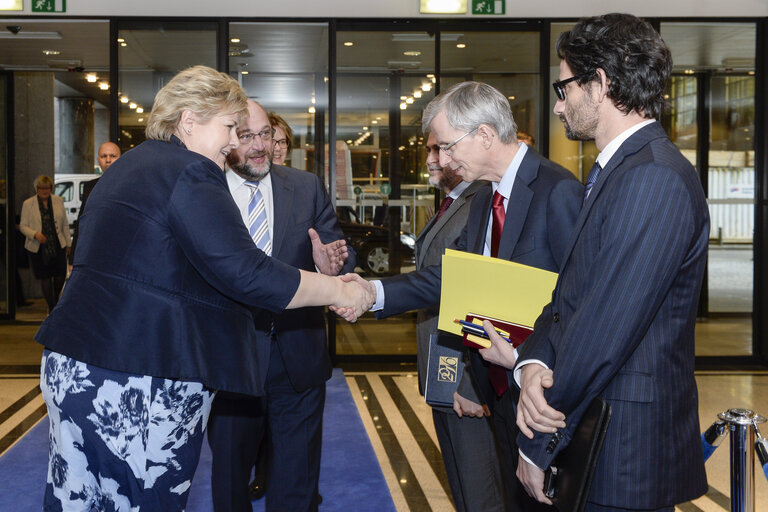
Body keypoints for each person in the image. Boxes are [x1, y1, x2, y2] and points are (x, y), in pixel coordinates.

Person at [35, 65, 372, 512]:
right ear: (189, 120)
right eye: (230, 127)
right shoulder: (189, 171)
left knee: (78, 499)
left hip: (74, 365)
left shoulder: (130, 166)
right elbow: (247, 271)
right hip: (134, 379)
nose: (235, 142)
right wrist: (342, 292)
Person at [344, 81, 583, 510]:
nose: (445, 159)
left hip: (540, 393)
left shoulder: (556, 190)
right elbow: (454, 280)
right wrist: (373, 292)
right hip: (499, 387)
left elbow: (578, 299)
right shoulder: (485, 197)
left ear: (486, 135)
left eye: (450, 146)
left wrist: (534, 366)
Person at [506, 14, 709, 510]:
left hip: (624, 451)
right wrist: (533, 362)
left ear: (600, 84)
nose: (558, 105)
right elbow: (567, 300)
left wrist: (537, 441)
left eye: (565, 86)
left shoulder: (652, 178)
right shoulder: (620, 171)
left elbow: (604, 329)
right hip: (603, 436)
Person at [207, 100, 355, 512]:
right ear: (230, 138)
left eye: (266, 135)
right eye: (247, 136)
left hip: (299, 356)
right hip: (231, 362)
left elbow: (338, 248)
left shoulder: (305, 186)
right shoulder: (207, 189)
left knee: (297, 481)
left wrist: (334, 262)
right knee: (231, 482)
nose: (259, 146)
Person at [415, 131, 502, 512]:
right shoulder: (454, 202)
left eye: (442, 148)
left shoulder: (481, 203)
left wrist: (468, 382)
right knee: (463, 492)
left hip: (463, 379)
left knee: (482, 494)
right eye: (430, 148)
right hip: (442, 374)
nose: (433, 158)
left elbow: (482, 297)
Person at [19, 175, 71, 312]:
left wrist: (69, 243)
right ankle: (53, 308)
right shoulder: (28, 204)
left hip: (58, 243)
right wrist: (35, 234)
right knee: (45, 278)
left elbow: (65, 224)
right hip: (38, 247)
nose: (44, 191)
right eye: (41, 188)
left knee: (60, 276)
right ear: (36, 189)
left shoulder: (58, 201)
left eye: (47, 188)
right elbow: (23, 226)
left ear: (51, 188)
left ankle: (54, 303)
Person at [69, 141, 122, 265]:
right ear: (98, 160)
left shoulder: (131, 186)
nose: (108, 160)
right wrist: (73, 259)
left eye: (113, 156)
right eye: (104, 156)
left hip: (121, 253)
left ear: (121, 158)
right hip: (96, 253)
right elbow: (82, 223)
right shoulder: (90, 187)